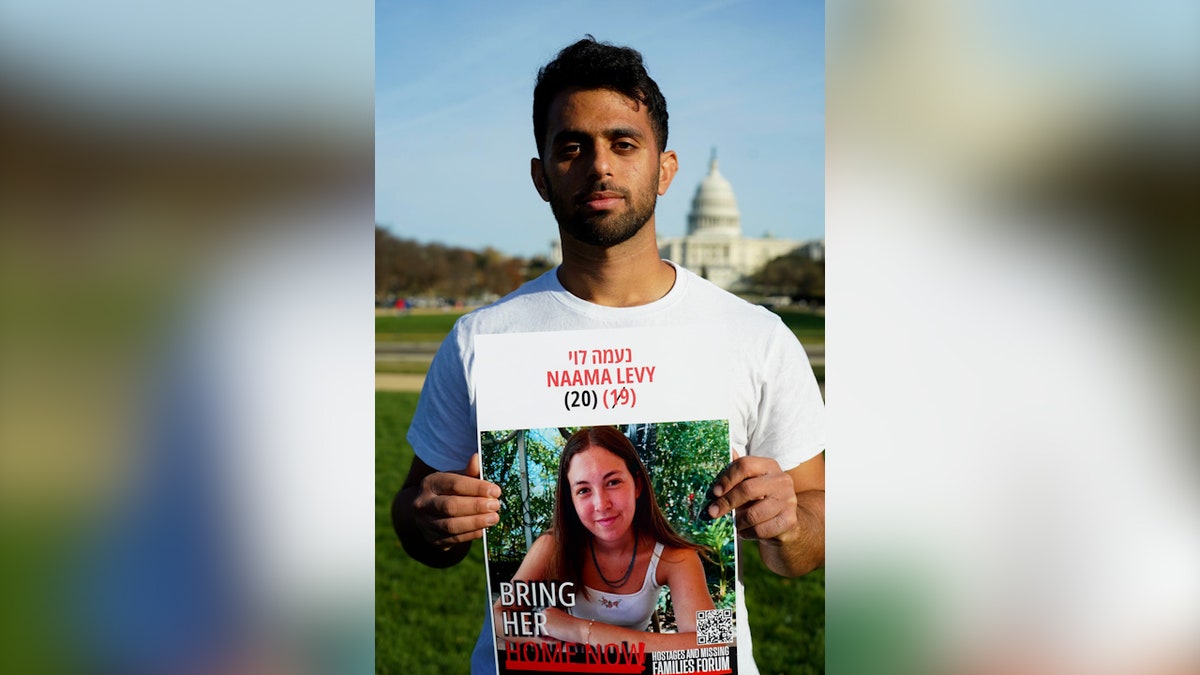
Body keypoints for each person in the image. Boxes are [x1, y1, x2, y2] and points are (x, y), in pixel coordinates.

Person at [392, 36, 826, 675]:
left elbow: (811, 532)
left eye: (624, 144)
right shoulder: (481, 339)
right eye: (572, 147)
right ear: (541, 175)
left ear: (665, 168)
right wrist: (433, 522)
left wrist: (788, 523)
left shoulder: (755, 336)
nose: (600, 166)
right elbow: (414, 518)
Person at [493, 427, 716, 649]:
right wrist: (557, 646)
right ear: (571, 500)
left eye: (613, 482)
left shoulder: (678, 557)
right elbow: (499, 614)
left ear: (637, 485)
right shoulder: (553, 545)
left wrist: (579, 630)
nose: (601, 504)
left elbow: (716, 641)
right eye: (583, 490)